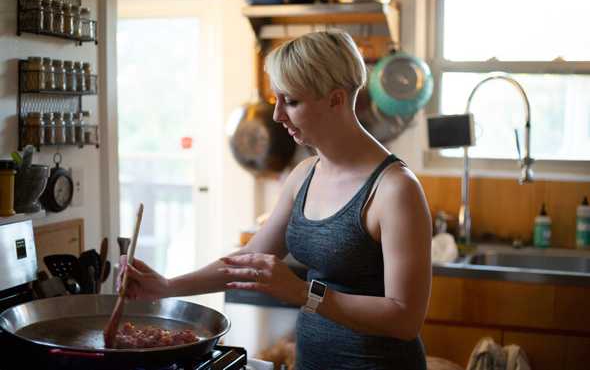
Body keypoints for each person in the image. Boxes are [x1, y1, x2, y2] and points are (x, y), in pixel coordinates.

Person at [121, 30, 432, 370]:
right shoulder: (304, 175)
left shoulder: (394, 189)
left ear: (336, 99)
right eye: (276, 100)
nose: (277, 116)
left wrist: (303, 293)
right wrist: (166, 287)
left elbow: (405, 320)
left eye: (292, 102)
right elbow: (248, 261)